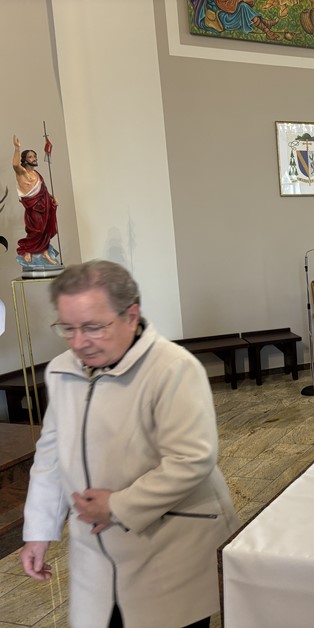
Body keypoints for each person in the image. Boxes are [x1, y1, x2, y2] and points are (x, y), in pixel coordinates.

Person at [20, 260, 240, 627]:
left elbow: (192, 459)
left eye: (93, 327)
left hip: (168, 546)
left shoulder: (172, 368)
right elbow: (51, 454)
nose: (78, 342)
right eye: (68, 328)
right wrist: (39, 532)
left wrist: (117, 505)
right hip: (95, 553)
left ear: (131, 315)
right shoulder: (61, 370)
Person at [12, 135, 59, 265]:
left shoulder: (37, 174)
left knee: (45, 229)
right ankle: (27, 250)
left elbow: (43, 190)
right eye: (30, 157)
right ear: (25, 160)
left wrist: (52, 198)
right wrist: (17, 148)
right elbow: (15, 164)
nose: (34, 158)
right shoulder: (22, 173)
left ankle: (44, 251)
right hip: (33, 205)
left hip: (45, 204)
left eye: (35, 156)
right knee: (36, 229)